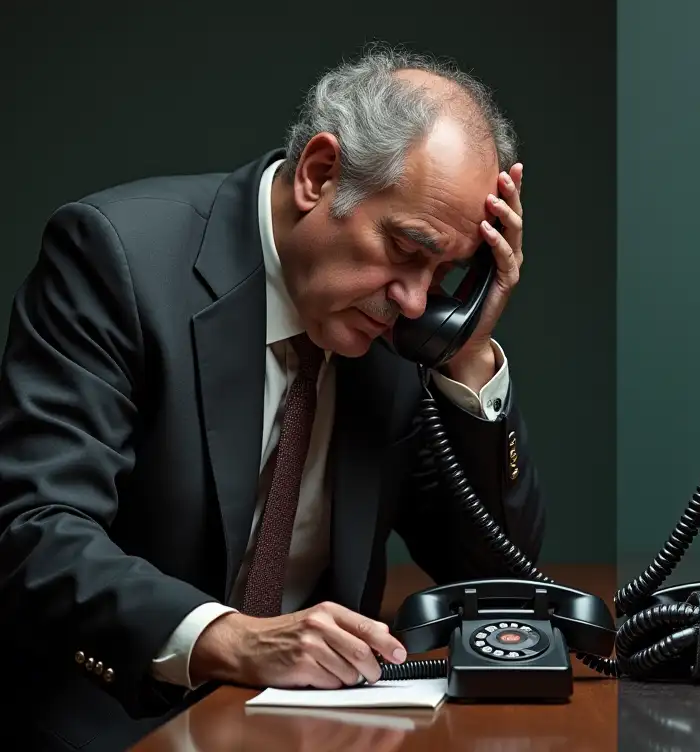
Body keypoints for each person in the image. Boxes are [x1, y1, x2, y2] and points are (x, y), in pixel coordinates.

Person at [0, 46, 546, 751]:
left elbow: (501, 580)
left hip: (319, 731)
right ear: (320, 176)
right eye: (408, 249)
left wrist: (465, 349)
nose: (415, 300)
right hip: (117, 722)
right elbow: (32, 530)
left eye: (446, 272)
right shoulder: (117, 258)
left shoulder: (405, 332)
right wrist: (231, 639)